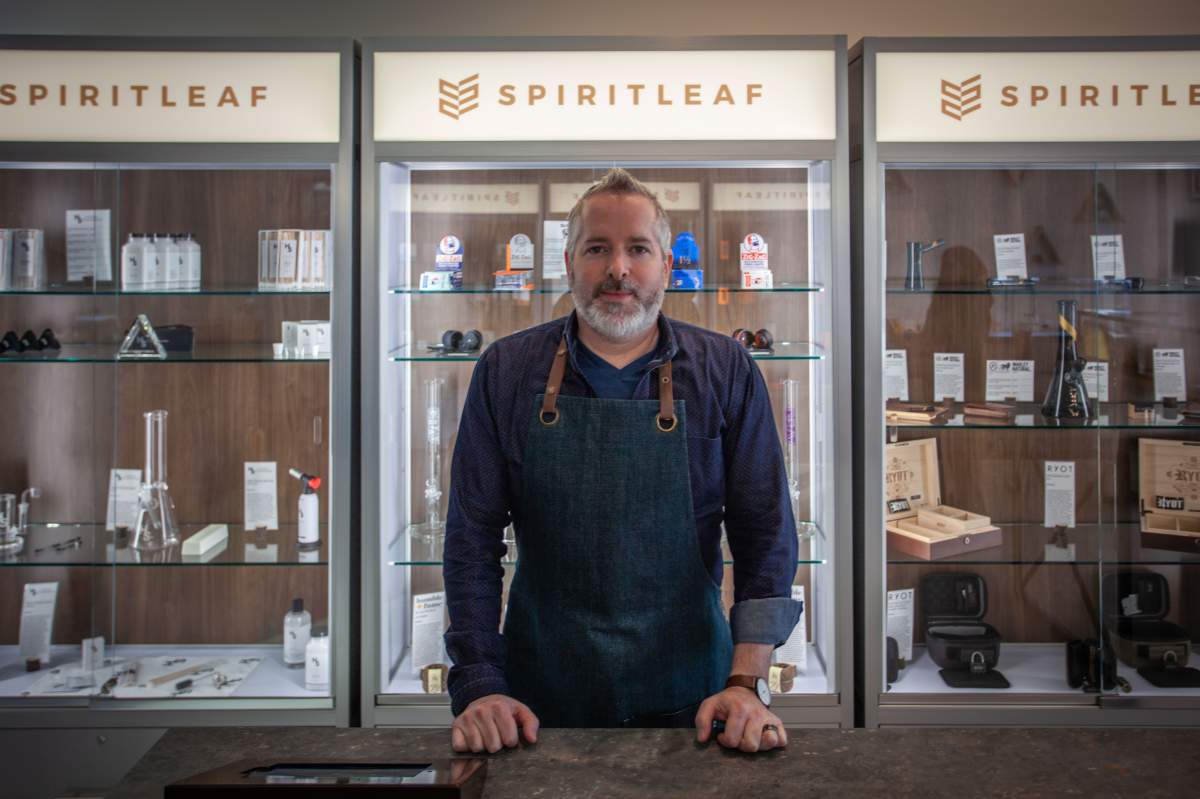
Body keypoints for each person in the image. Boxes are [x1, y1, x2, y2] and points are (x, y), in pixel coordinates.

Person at [443, 167, 802, 753]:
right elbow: (471, 543)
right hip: (536, 707)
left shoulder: (725, 371)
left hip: (699, 700)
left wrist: (746, 682)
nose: (618, 269)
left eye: (638, 249)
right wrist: (481, 685)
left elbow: (765, 534)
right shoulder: (505, 372)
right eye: (597, 249)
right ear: (568, 263)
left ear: (665, 263)